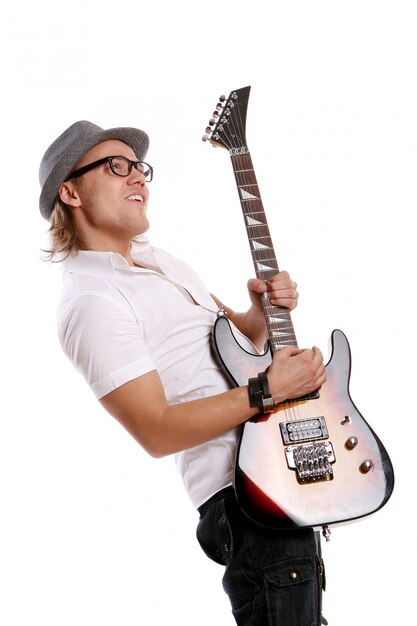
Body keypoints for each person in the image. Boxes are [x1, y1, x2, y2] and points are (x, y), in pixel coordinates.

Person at [39, 120, 327, 626]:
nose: (138, 179)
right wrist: (268, 390)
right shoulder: (91, 301)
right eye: (117, 167)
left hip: (282, 476)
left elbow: (237, 342)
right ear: (70, 191)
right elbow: (155, 430)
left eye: (140, 168)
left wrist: (262, 313)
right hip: (243, 499)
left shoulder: (158, 261)